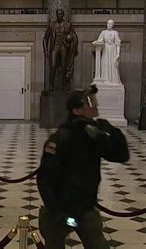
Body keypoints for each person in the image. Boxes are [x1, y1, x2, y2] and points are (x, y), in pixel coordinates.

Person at [37, 85, 129, 248]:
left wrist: (113, 132)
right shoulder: (61, 138)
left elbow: (121, 155)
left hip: (85, 207)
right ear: (76, 110)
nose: (94, 105)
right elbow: (44, 179)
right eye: (89, 102)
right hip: (60, 209)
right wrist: (55, 209)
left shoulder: (93, 135)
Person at [43, 9, 78, 91]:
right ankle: (51, 85)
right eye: (58, 14)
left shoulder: (68, 25)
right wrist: (46, 51)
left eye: (61, 14)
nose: (59, 16)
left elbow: (74, 36)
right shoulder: (52, 25)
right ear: (56, 15)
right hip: (55, 47)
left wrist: (73, 45)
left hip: (63, 47)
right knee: (53, 66)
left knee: (64, 66)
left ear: (63, 15)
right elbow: (45, 38)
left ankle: (64, 85)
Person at [92, 19, 122, 84]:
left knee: (113, 65)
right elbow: (99, 40)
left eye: (111, 24)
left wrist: (118, 53)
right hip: (106, 50)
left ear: (113, 25)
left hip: (113, 50)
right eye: (108, 23)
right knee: (105, 64)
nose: (109, 25)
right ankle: (105, 80)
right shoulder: (103, 32)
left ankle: (114, 81)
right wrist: (95, 42)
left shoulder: (115, 33)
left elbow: (118, 43)